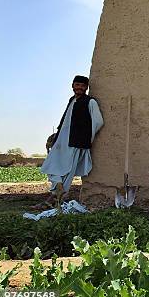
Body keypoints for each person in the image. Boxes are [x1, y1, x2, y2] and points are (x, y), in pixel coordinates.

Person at [37, 75, 104, 208]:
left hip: (76, 142)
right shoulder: (72, 100)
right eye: (77, 85)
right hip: (62, 141)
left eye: (82, 86)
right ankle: (56, 193)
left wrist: (85, 137)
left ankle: (55, 200)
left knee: (68, 170)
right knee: (52, 164)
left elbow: (98, 122)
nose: (79, 88)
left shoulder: (90, 102)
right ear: (72, 86)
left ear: (86, 87)